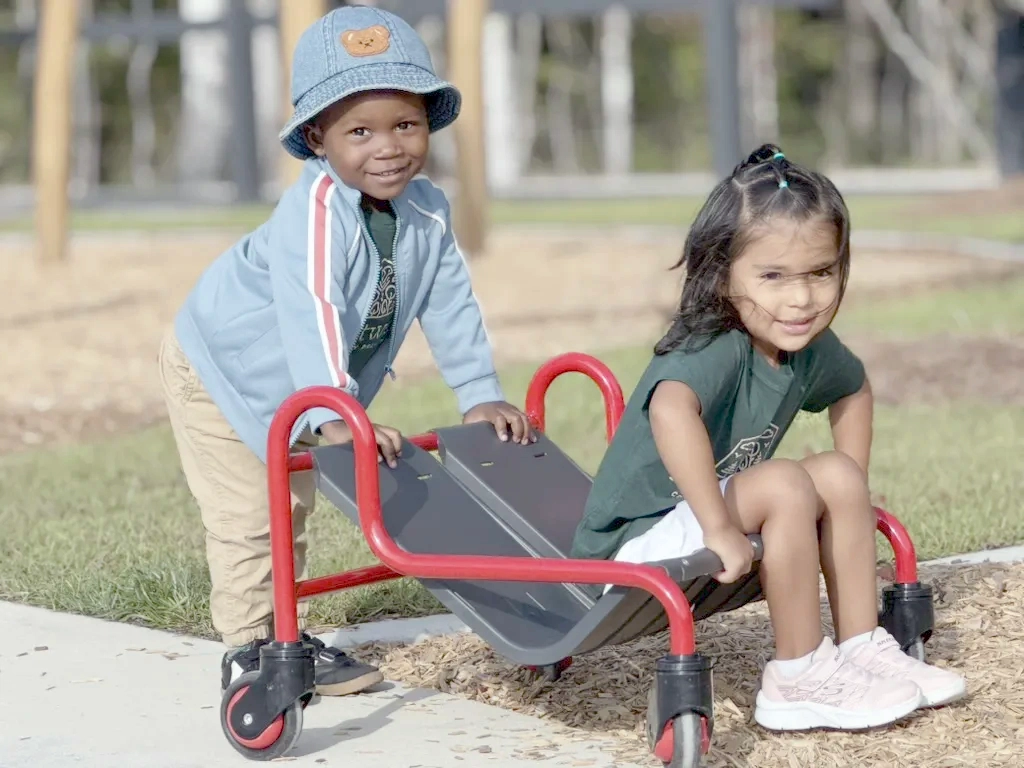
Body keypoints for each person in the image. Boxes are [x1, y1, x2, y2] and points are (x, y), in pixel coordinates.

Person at [158, 5, 534, 698]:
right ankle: (251, 654)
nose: (388, 147)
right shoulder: (316, 210)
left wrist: (478, 390)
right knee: (254, 515)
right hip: (224, 371)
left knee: (290, 505)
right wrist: (334, 410)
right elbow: (313, 308)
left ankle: (285, 635)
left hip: (305, 389)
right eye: (359, 131)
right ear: (317, 139)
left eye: (406, 125)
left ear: (429, 123)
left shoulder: (425, 208)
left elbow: (448, 298)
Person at [570, 144, 966, 732]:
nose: (801, 298)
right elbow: (670, 410)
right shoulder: (716, 343)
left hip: (700, 518)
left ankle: (861, 647)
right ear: (721, 271)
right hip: (635, 545)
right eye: (773, 276)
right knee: (783, 481)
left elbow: (853, 390)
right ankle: (797, 675)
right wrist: (718, 526)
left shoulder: (801, 345)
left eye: (821, 272)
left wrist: (845, 506)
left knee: (833, 472)